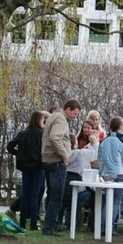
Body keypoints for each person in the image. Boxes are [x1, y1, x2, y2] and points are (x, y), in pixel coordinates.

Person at [41, 99, 80, 234]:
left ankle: (51, 223)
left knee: (51, 194)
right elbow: (55, 137)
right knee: (57, 195)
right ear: (68, 109)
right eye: (74, 113)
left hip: (47, 159)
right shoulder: (61, 119)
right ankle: (49, 226)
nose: (75, 117)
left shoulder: (53, 116)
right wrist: (65, 155)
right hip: (56, 160)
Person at [6, 110, 47, 230]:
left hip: (25, 166)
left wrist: (19, 154)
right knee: (35, 195)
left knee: (25, 194)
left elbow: (9, 146)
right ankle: (33, 222)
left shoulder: (23, 133)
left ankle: (22, 222)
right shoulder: (42, 134)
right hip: (39, 166)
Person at [98, 115, 123, 230]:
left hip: (106, 174)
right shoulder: (122, 142)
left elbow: (100, 160)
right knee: (115, 202)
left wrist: (100, 173)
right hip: (120, 174)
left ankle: (102, 226)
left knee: (106, 201)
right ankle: (109, 227)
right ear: (120, 126)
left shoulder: (103, 142)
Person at [66, 129, 97, 227]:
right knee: (92, 195)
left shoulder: (63, 154)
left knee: (69, 198)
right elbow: (96, 154)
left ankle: (68, 221)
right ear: (75, 143)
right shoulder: (80, 154)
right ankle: (90, 223)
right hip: (78, 191)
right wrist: (94, 142)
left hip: (64, 190)